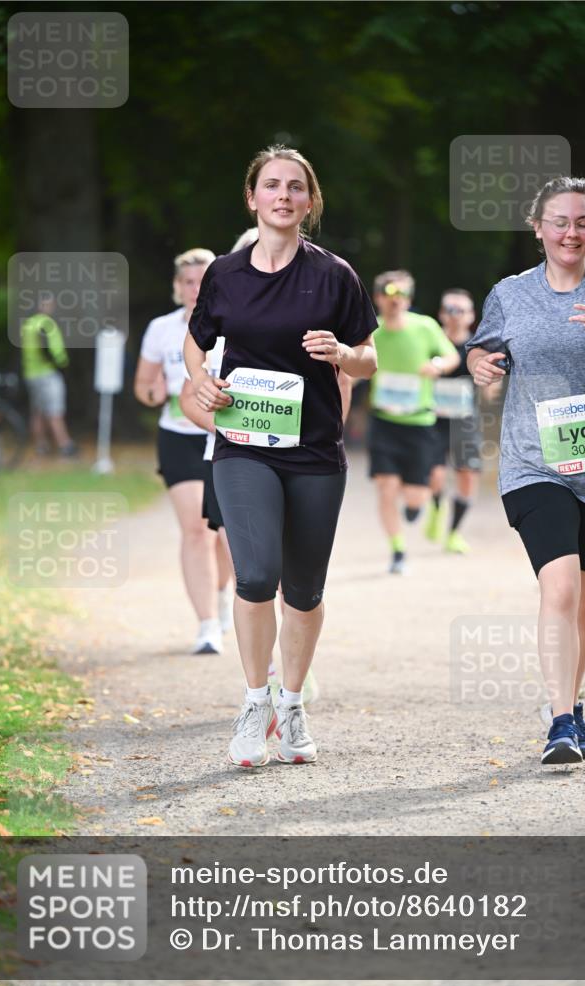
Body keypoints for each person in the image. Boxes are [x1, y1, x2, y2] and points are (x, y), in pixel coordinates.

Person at [183, 145, 377, 767]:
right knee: (256, 575)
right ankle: (253, 701)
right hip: (243, 446)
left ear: (309, 201)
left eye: (296, 187)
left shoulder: (334, 274)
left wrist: (343, 353)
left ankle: (292, 704)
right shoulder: (225, 273)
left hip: (315, 450)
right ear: (253, 197)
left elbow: (369, 358)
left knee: (304, 590)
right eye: (272, 185)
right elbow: (196, 342)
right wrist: (202, 382)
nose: (284, 195)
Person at [466, 176, 585, 766]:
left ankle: (567, 700)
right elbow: (481, 348)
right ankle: (562, 723)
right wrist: (480, 365)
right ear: (537, 227)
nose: (572, 232)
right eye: (560, 222)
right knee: (560, 586)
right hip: (532, 462)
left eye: (583, 222)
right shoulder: (510, 293)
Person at [134, 248, 233, 655]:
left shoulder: (233, 321)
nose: (195, 289)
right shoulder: (161, 328)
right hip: (178, 436)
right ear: (178, 288)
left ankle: (223, 593)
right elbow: (144, 384)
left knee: (227, 538)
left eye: (202, 280)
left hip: (223, 436)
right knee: (195, 528)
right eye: (188, 282)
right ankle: (206, 625)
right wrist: (153, 392)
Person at [367, 270, 459, 574]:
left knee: (415, 496)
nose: (397, 302)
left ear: (409, 299)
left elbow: (450, 356)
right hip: (383, 421)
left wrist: (436, 365)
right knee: (386, 487)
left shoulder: (425, 327)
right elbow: (356, 365)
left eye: (403, 295)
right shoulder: (372, 331)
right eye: (391, 295)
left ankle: (422, 505)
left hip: (419, 422)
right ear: (379, 298)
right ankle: (397, 550)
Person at [426, 288, 490, 553]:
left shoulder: (477, 347)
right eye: (450, 309)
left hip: (465, 421)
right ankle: (436, 507)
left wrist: (490, 384)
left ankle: (453, 533)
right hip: (432, 419)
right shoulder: (430, 343)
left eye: (461, 310)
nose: (455, 316)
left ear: (471, 315)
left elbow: (490, 389)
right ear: (441, 314)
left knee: (466, 476)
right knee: (435, 475)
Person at [21, 292, 78, 457]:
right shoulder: (46, 324)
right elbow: (48, 348)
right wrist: (60, 364)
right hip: (47, 373)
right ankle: (65, 445)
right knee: (55, 411)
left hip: (31, 373)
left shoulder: (28, 324)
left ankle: (41, 445)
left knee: (37, 412)